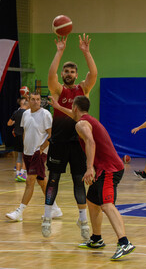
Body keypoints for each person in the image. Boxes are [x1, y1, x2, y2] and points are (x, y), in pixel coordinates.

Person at [50, 95, 135, 261]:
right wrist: (58, 107)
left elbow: (90, 141)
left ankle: (124, 242)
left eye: (71, 108)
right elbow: (75, 117)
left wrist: (89, 168)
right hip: (105, 168)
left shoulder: (81, 124)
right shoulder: (85, 119)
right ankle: (96, 239)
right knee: (92, 201)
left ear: (75, 108)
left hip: (109, 169)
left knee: (107, 205)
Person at [42, 34, 97, 239]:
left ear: (76, 74)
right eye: (66, 70)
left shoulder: (84, 88)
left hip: (78, 143)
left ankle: (83, 221)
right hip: (58, 141)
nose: (68, 73)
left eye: (72, 71)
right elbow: (51, 74)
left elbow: (94, 72)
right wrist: (59, 51)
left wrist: (86, 52)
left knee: (78, 181)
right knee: (53, 179)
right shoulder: (58, 90)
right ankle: (47, 217)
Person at [6, 92, 62, 222]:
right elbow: (26, 132)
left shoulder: (45, 114)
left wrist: (42, 148)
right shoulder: (25, 114)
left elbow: (51, 134)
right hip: (28, 152)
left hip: (39, 152)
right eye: (33, 99)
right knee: (42, 182)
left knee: (29, 180)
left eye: (38, 99)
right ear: (28, 100)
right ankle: (55, 208)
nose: (36, 101)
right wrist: (25, 149)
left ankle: (19, 212)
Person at [7, 97, 29, 182]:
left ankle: (17, 174)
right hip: (24, 136)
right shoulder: (27, 113)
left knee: (19, 156)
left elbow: (9, 123)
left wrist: (16, 122)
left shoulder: (16, 112)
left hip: (17, 136)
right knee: (26, 156)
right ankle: (22, 174)